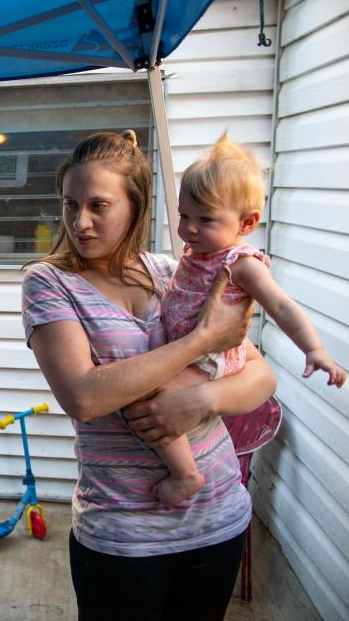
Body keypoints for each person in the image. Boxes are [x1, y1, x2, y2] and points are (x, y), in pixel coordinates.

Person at [22, 130, 276, 620]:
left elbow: (261, 377)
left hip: (220, 517)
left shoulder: (174, 272)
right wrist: (200, 340)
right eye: (70, 204)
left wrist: (201, 401)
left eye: (99, 205)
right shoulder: (50, 282)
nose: (81, 221)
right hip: (124, 535)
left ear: (135, 208)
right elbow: (83, 396)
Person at [151, 133, 345, 506]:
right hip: (190, 348)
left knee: (156, 397)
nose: (189, 229)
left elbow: (282, 306)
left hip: (212, 356)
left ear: (247, 222)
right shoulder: (200, 251)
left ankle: (185, 475)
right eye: (184, 216)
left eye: (204, 219)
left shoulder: (240, 263)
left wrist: (314, 348)